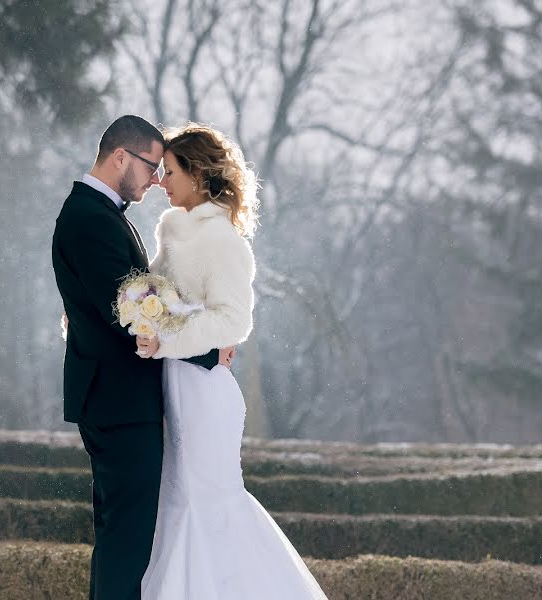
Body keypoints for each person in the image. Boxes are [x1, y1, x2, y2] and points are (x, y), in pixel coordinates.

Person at [136, 124, 329, 599]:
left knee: (206, 506)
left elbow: (232, 321)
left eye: (171, 171)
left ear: (199, 174)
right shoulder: (176, 234)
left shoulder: (223, 241)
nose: (162, 182)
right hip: (180, 387)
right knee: (182, 503)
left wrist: (166, 341)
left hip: (205, 393)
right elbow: (153, 297)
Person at [51, 115, 235, 600]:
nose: (156, 180)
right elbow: (130, 309)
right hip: (117, 401)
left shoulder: (102, 214)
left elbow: (132, 299)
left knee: (125, 537)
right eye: (152, 166)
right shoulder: (90, 217)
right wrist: (209, 350)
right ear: (120, 157)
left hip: (118, 399)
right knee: (127, 541)